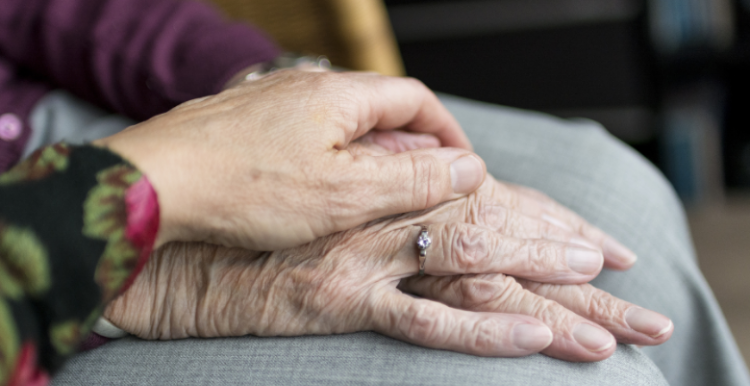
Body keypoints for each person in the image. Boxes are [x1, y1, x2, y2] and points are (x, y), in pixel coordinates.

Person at [0, 1, 747, 386]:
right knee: (560, 374)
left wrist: (268, 91)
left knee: (616, 202)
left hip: (63, 116)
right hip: (31, 297)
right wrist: (151, 260)